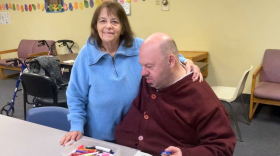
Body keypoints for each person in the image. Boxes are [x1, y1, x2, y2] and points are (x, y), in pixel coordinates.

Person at [60, 1, 202, 146]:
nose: (108, 26)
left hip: (132, 133)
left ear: (122, 28)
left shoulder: (137, 46)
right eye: (103, 21)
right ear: (96, 26)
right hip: (97, 136)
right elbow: (76, 95)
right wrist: (76, 126)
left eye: (114, 21)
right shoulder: (86, 54)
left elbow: (164, 52)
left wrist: (186, 61)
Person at [115, 33, 236, 156]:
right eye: (142, 66)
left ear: (171, 61)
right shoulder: (151, 81)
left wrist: (185, 154)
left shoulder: (202, 99)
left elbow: (222, 148)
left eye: (149, 66)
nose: (143, 72)